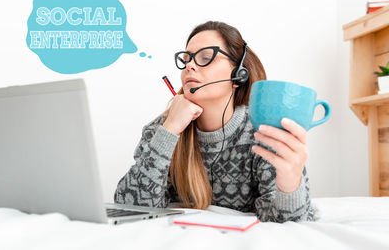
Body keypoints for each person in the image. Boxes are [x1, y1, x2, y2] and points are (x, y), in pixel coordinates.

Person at [114, 21, 317, 223]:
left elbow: (288, 225)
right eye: (186, 60)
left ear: (238, 74)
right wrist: (170, 131)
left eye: (206, 57)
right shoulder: (161, 130)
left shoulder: (262, 132)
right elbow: (131, 209)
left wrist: (290, 187)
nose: (190, 66)